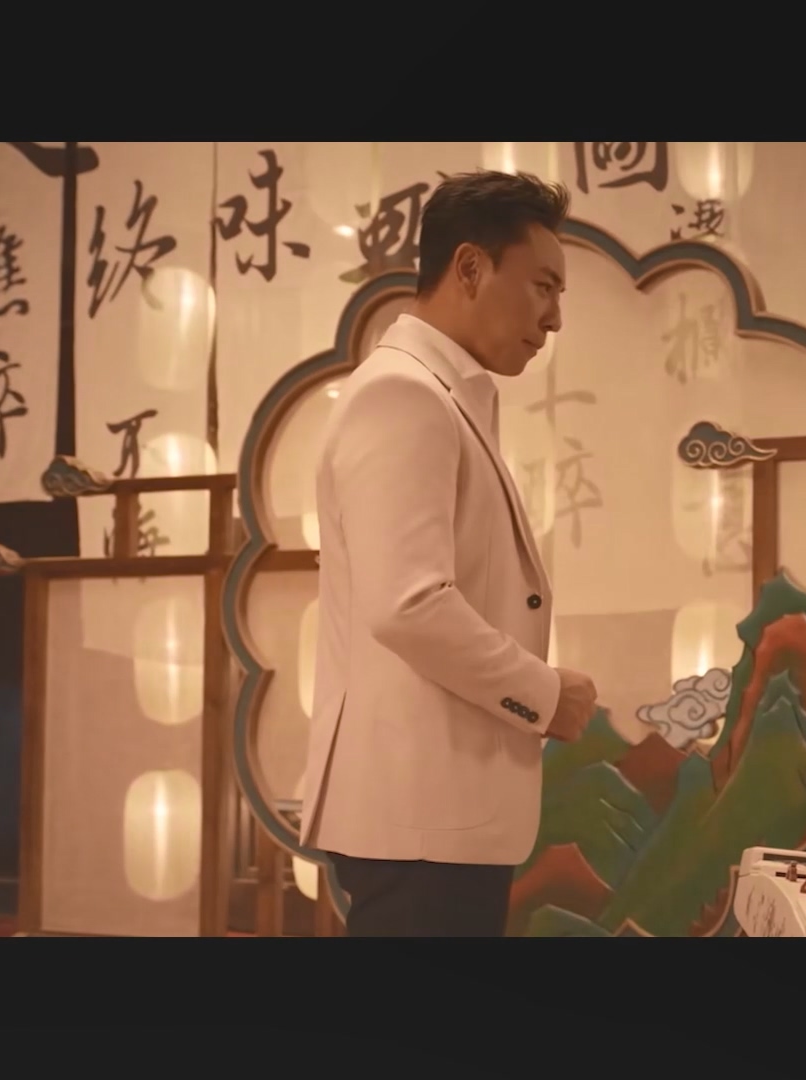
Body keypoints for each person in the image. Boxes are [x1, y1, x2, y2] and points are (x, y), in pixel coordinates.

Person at [298, 170, 599, 937]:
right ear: (469, 268)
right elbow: (409, 605)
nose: (554, 317)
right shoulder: (403, 395)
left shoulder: (437, 394)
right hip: (418, 819)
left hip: (434, 818)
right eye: (542, 286)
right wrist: (543, 692)